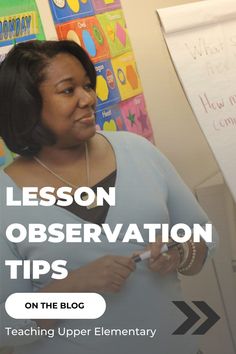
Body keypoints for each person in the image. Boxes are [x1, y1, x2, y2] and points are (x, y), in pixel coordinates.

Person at [0, 40, 218, 354]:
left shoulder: (138, 151)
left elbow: (204, 238)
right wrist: (71, 288)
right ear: (26, 105)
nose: (88, 99)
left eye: (88, 86)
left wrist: (180, 252)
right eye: (68, 90)